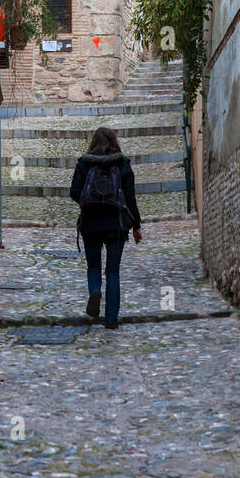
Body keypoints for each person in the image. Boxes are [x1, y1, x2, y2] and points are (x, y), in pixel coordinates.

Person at [70, 127, 142, 330]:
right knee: (112, 272)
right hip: (116, 224)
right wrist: (136, 226)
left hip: (91, 223)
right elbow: (131, 198)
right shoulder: (122, 163)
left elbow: (74, 192)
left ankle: (95, 290)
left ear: (93, 142)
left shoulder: (84, 163)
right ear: (114, 141)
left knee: (93, 266)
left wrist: (85, 201)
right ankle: (111, 320)